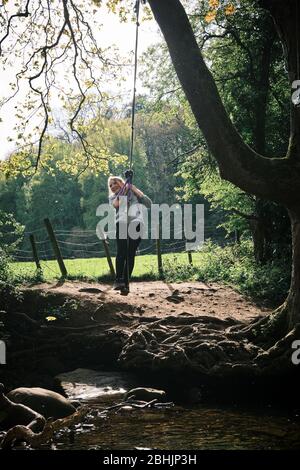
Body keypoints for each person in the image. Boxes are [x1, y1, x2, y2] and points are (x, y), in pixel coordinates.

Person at [108, 175, 152, 294]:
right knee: (121, 251)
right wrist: (124, 188)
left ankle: (126, 284)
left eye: (115, 183)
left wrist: (131, 186)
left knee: (130, 253)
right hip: (121, 223)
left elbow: (148, 203)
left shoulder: (133, 193)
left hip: (136, 224)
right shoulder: (112, 197)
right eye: (110, 185)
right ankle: (119, 280)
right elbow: (118, 205)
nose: (112, 186)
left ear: (121, 182)